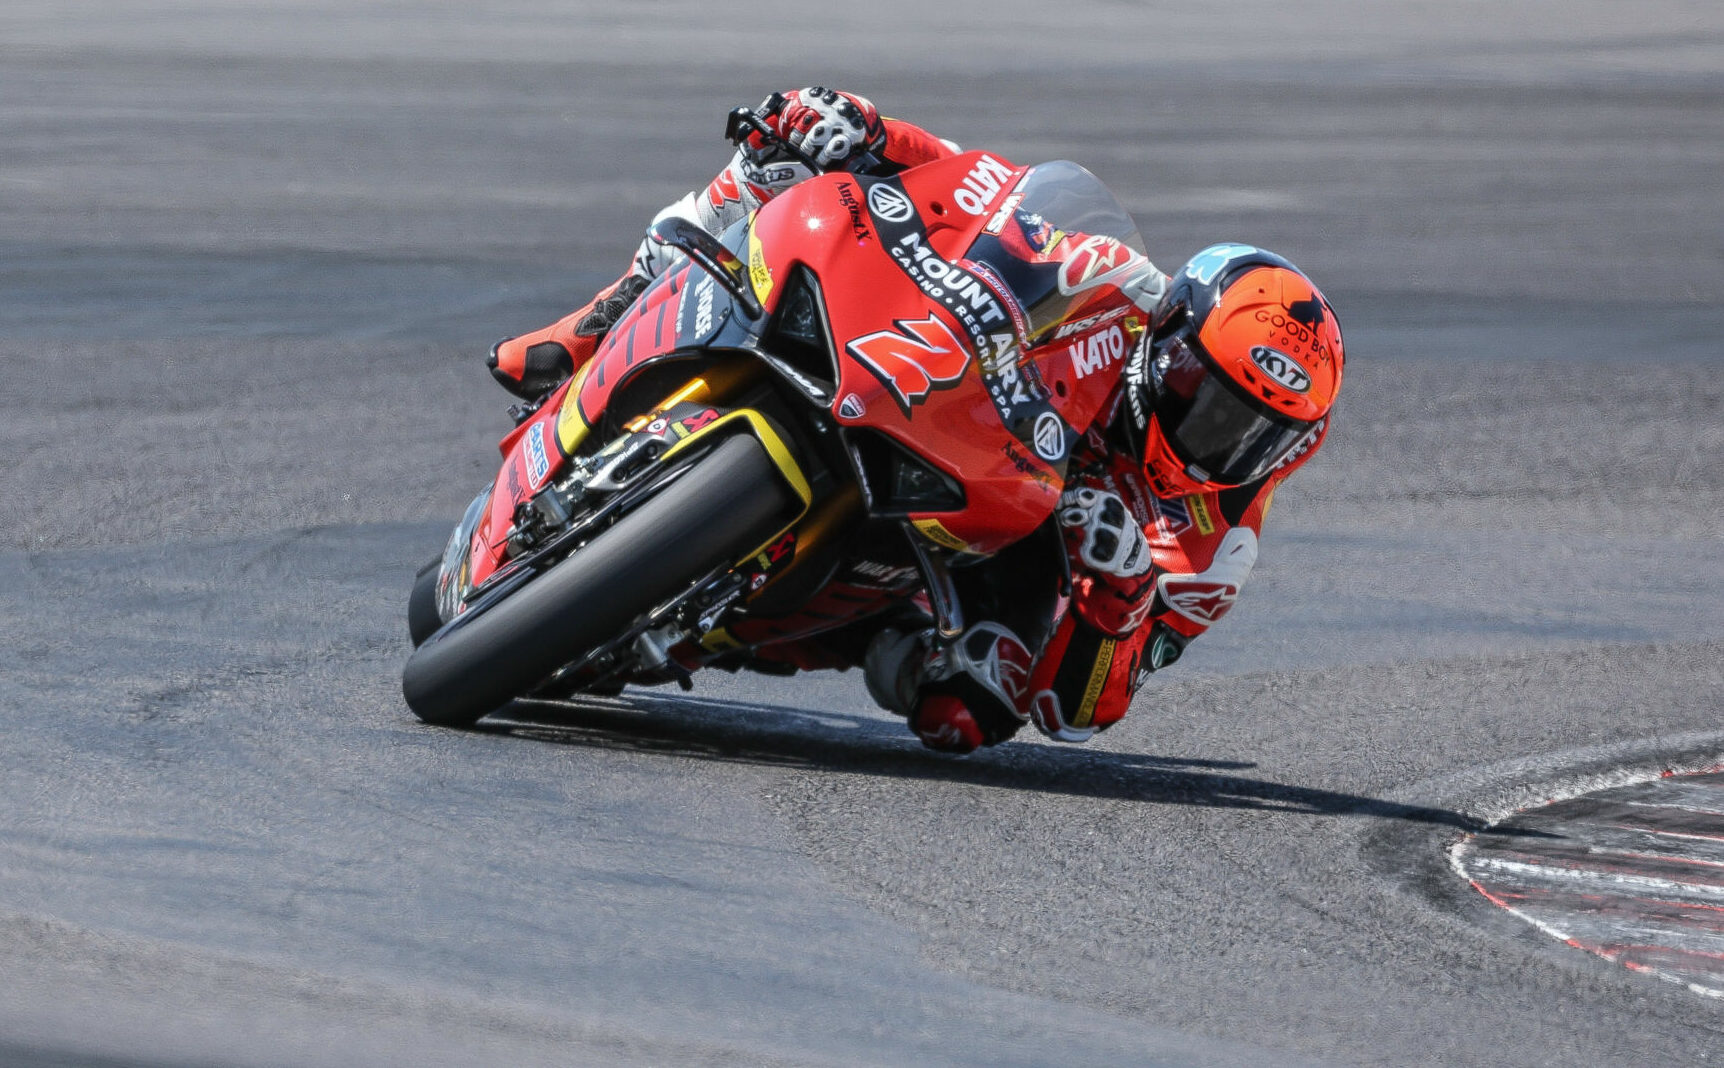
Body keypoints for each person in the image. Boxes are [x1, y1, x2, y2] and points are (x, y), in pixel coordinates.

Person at [488, 88, 1346, 754]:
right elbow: (976, 185)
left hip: (992, 545)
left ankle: (862, 635)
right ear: (1174, 335)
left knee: (974, 710)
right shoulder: (1115, 282)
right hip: (940, 404)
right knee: (782, 162)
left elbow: (1079, 715)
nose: (1217, 435)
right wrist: (863, 128)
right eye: (1209, 393)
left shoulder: (1215, 546)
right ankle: (594, 322)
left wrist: (1117, 599)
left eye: (1253, 432)